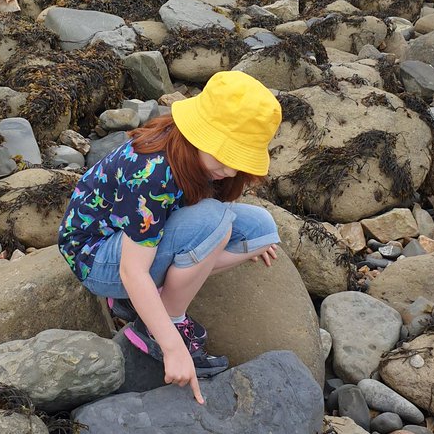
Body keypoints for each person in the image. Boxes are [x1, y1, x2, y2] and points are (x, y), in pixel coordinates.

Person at [58, 70, 282, 403]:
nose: (233, 172)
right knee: (216, 222)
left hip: (136, 239)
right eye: (227, 156)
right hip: (96, 254)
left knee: (262, 231)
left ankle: (145, 299)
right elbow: (132, 270)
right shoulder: (151, 170)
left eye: (241, 159)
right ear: (199, 135)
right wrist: (172, 346)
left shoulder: (193, 154)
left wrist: (238, 246)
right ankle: (161, 321)